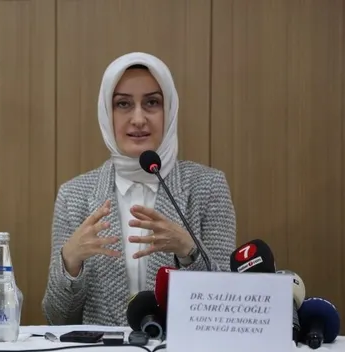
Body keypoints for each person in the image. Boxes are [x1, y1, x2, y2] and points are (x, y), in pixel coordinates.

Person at [42, 52, 236, 326]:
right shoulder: (74, 196)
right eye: (123, 104)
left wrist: (189, 252)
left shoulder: (208, 186)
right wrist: (70, 264)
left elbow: (226, 307)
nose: (138, 119)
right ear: (106, 113)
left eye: (151, 103)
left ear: (169, 110)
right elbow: (57, 319)